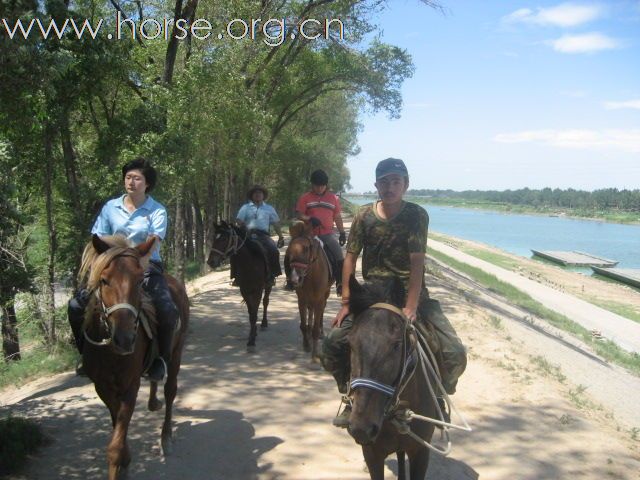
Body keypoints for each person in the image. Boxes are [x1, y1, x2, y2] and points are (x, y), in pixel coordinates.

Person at [322, 158, 467, 427]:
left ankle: (438, 397)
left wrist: (411, 306)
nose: (390, 187)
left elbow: (417, 262)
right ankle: (349, 396)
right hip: (371, 296)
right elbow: (350, 259)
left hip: (410, 294)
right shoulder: (363, 215)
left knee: (454, 352)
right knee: (332, 344)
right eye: (384, 182)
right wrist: (346, 302)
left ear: (406, 185)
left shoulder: (416, 215)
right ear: (376, 185)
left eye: (396, 182)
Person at [67, 157, 179, 383]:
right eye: (128, 177)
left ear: (147, 184)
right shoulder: (110, 207)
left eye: (137, 178)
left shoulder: (157, 210)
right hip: (114, 267)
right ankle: (84, 355)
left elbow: (153, 242)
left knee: (167, 310)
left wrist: (138, 262)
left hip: (145, 266)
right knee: (76, 305)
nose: (131, 182)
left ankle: (161, 361)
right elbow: (98, 238)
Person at [285, 169, 346, 294]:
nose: (319, 188)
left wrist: (342, 232)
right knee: (290, 252)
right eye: (317, 185)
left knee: (339, 255)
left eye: (322, 186)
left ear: (326, 185)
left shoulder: (333, 198)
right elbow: (299, 214)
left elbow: (337, 217)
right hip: (308, 235)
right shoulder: (305, 198)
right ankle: (290, 279)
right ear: (312, 185)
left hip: (327, 234)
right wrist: (309, 218)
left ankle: (340, 283)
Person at [234, 185, 285, 286]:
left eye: (260, 193)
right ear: (252, 196)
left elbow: (275, 223)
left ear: (263, 196)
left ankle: (272, 275)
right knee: (236, 252)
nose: (258, 195)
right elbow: (238, 219)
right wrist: (243, 224)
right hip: (248, 235)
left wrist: (280, 236)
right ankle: (237, 276)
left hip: (263, 235)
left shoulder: (269, 208)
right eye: (255, 193)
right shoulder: (245, 207)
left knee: (273, 250)